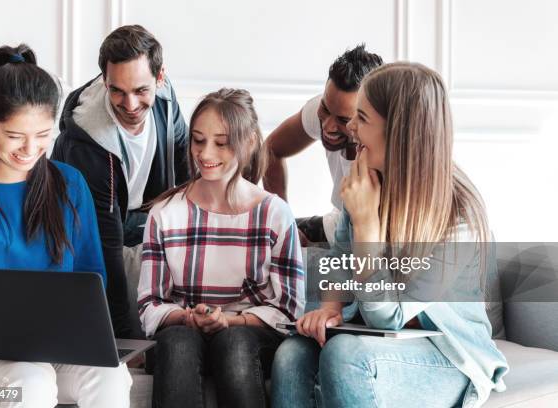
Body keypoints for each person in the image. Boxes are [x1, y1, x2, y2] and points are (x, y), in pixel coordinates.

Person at [271, 62, 509, 408]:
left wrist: (368, 227)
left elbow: (389, 316)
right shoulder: (366, 177)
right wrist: (330, 307)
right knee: (292, 354)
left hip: (449, 355)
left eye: (362, 119)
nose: (351, 126)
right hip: (383, 339)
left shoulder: (459, 216)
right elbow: (339, 255)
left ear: (399, 132)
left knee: (345, 355)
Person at [0, 45, 131, 407]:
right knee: (29, 380)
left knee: (110, 374)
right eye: (15, 136)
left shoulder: (70, 184)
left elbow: (91, 277)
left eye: (43, 134)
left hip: (53, 352)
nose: (30, 149)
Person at [137, 88, 305, 408]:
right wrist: (188, 318)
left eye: (221, 142)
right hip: (183, 332)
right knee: (177, 342)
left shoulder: (274, 214)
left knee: (233, 343)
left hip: (250, 337)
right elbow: (150, 303)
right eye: (198, 140)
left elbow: (287, 310)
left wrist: (232, 321)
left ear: (250, 142)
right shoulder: (165, 213)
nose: (205, 153)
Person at [52, 24, 189, 339]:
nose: (130, 105)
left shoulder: (166, 98)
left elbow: (184, 160)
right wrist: (123, 337)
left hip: (138, 211)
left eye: (141, 90)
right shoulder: (89, 142)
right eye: (117, 90)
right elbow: (107, 246)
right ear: (105, 80)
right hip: (83, 228)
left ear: (160, 77)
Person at [263, 45, 382, 246]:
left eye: (344, 120)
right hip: (338, 228)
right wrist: (285, 225)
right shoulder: (328, 109)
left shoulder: (384, 152)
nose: (327, 126)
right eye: (325, 108)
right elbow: (271, 150)